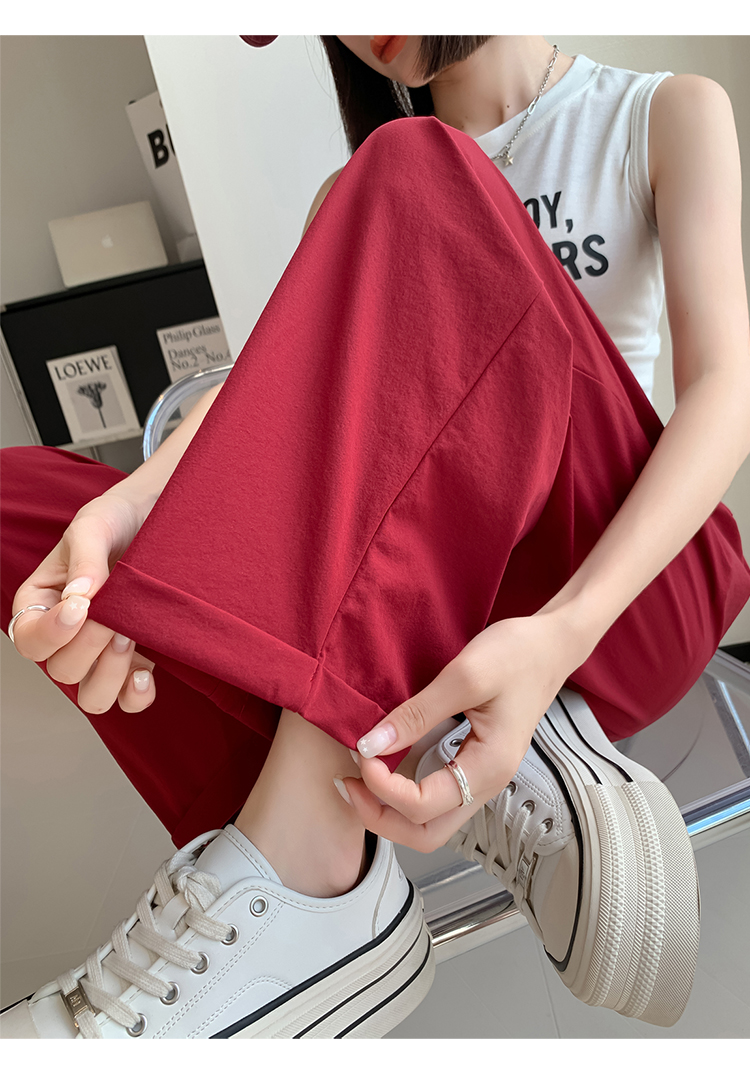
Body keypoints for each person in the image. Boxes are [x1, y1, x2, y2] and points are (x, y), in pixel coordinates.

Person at [2, 34, 749, 1039]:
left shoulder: (657, 113)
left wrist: (559, 634)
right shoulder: (355, 193)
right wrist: (126, 511)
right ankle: (295, 847)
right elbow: (269, 398)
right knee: (18, 504)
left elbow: (725, 393)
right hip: (424, 593)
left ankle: (308, 878)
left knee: (413, 169)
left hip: (612, 587)